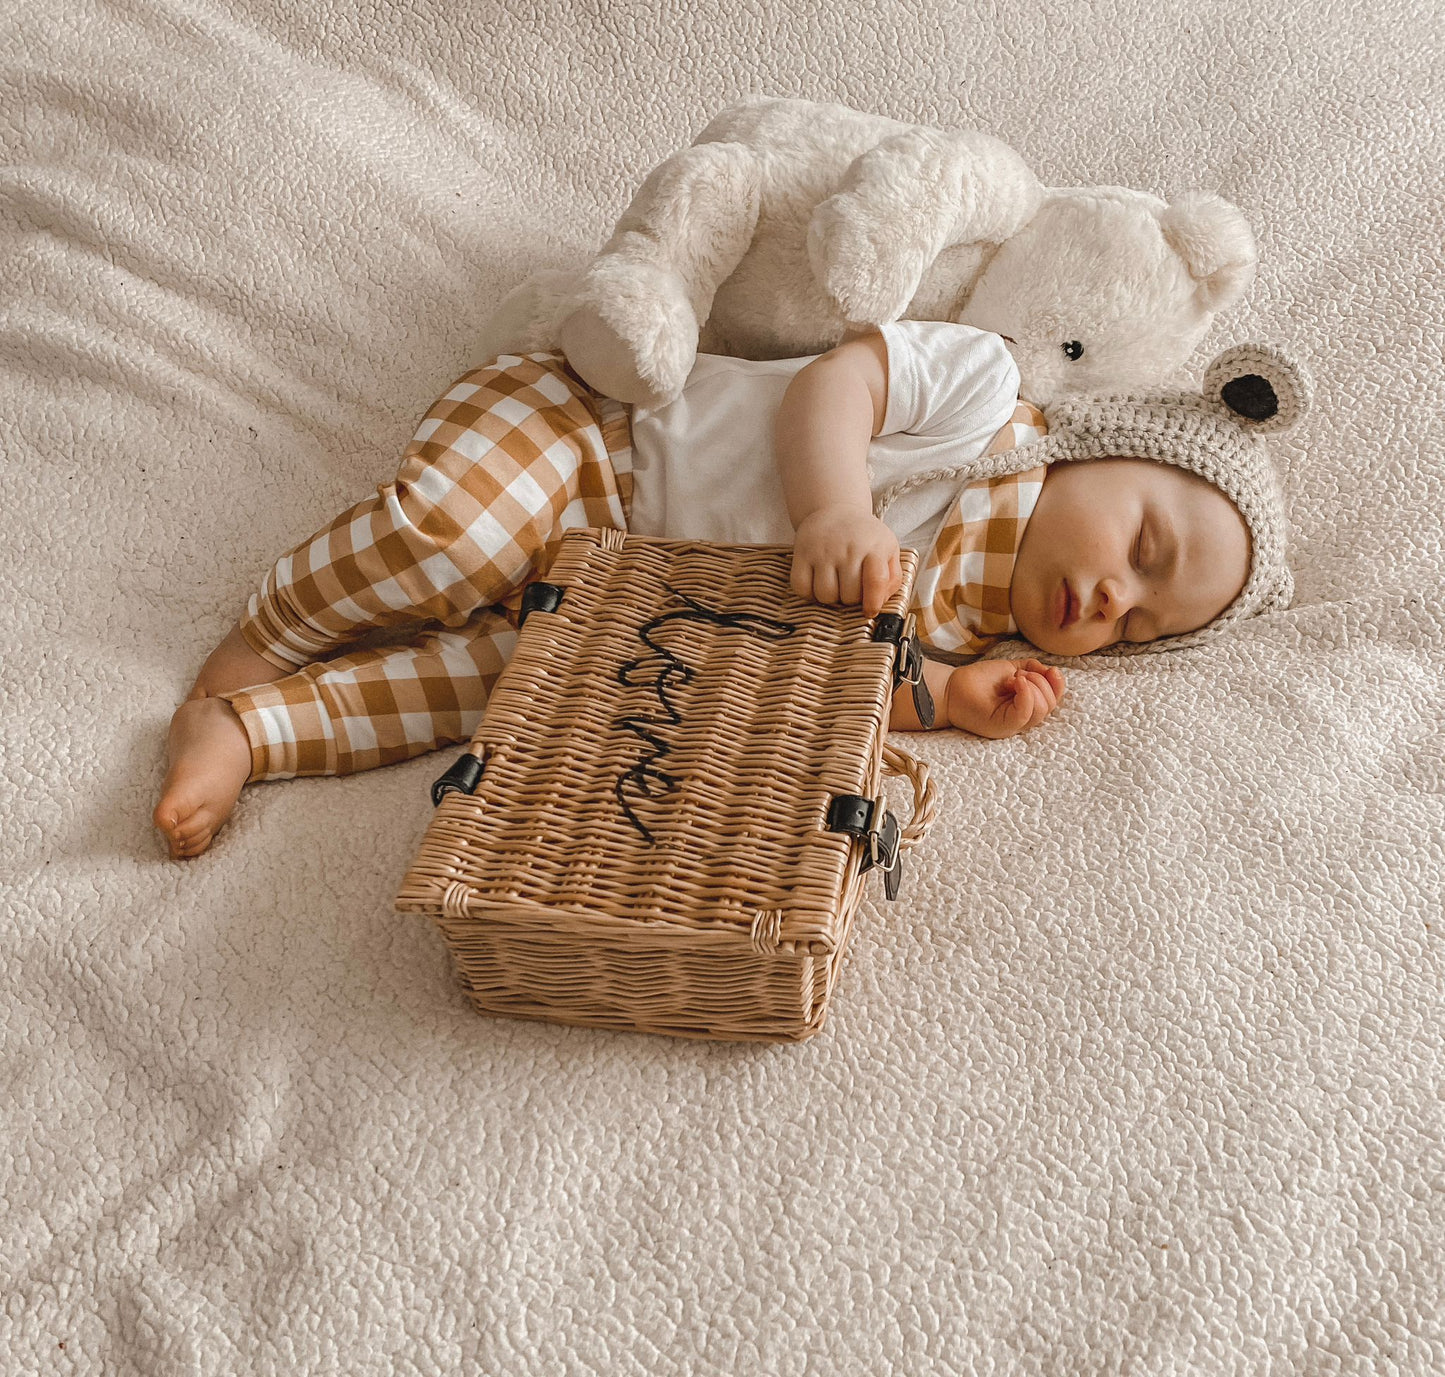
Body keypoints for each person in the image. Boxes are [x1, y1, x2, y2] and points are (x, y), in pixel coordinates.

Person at [153, 323, 1295, 859]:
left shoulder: (958, 624)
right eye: (1140, 548)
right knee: (452, 543)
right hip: (589, 440)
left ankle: (256, 734)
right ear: (1099, 450)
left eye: (1141, 623)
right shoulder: (984, 404)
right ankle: (274, 630)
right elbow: (839, 382)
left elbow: (827, 682)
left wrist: (943, 697)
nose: (1111, 600)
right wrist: (833, 512)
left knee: (502, 698)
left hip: (627, 608)